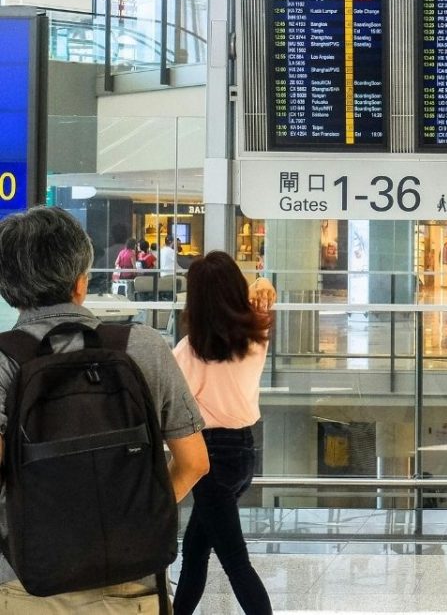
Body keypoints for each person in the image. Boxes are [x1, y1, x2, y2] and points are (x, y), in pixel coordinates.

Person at [0, 206, 209, 612]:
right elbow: (195, 462)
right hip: (131, 581)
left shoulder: (4, 360)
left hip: (25, 582)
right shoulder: (143, 346)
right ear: (81, 281)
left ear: (8, 288)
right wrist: (133, 521)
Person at [171, 251, 276, 615]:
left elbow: (172, 407)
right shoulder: (257, 337)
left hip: (209, 459)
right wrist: (261, 283)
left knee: (235, 562)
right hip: (245, 452)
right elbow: (261, 295)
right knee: (195, 550)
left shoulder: (189, 353)